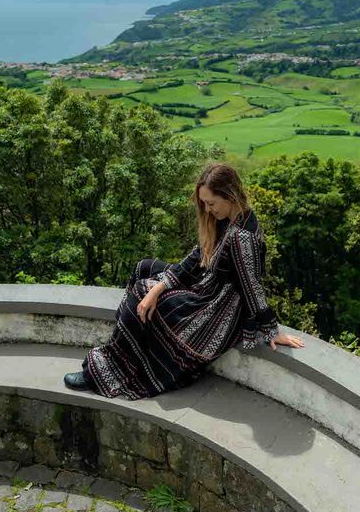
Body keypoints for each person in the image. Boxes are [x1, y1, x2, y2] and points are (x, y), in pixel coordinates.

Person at [63, 161, 305, 399]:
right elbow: (195, 259)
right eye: (204, 204)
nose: (208, 210)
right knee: (144, 268)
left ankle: (106, 372)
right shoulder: (225, 221)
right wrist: (159, 288)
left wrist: (271, 330)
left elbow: (252, 287)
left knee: (142, 290)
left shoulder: (243, 237)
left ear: (230, 195)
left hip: (218, 307)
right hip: (206, 283)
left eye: (211, 203)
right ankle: (129, 353)